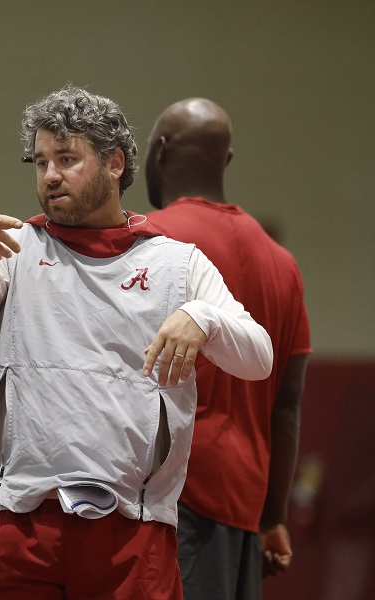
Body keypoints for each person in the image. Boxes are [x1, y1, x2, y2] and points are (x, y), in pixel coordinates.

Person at [0, 85, 274, 600]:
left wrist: (204, 318)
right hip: (13, 522)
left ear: (115, 163)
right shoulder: (14, 248)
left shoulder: (178, 264)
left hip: (132, 527)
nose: (50, 176)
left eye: (66, 159)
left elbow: (258, 359)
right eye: (39, 162)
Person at [144, 98, 311, 600]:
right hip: (245, 504)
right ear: (228, 161)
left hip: (174, 503)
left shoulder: (151, 242)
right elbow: (288, 405)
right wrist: (273, 518)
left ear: (159, 153)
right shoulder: (283, 263)